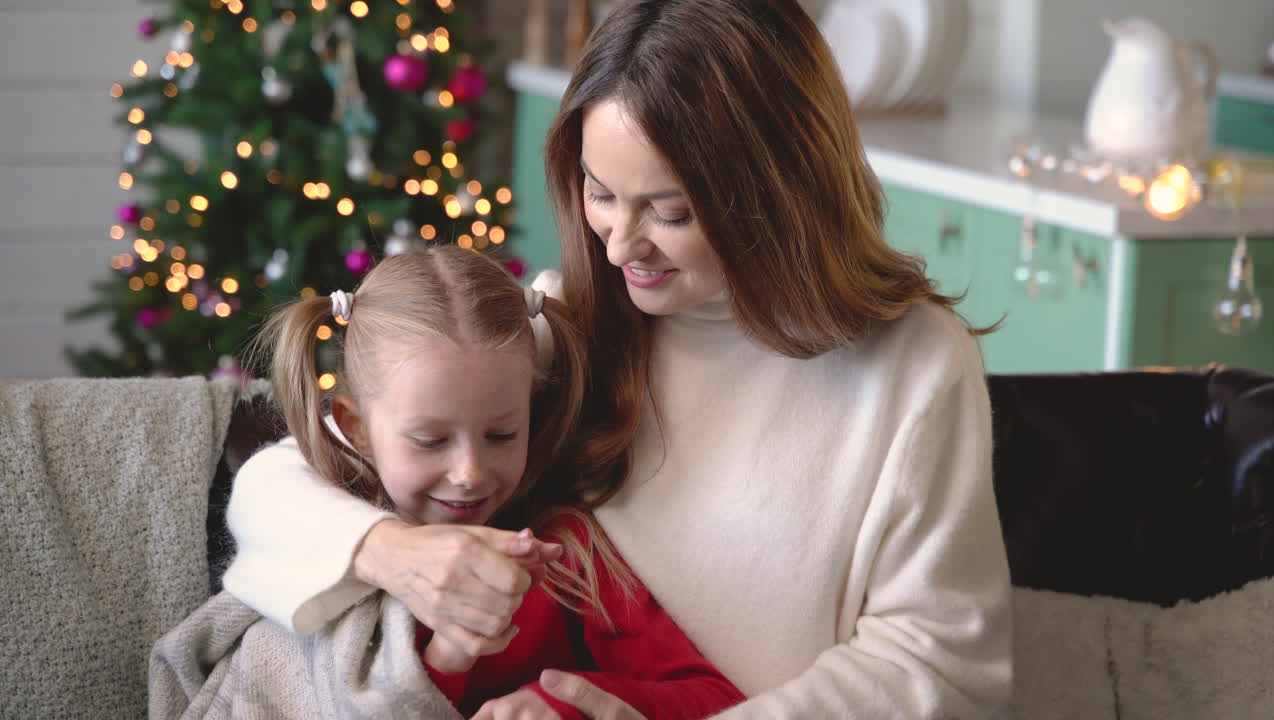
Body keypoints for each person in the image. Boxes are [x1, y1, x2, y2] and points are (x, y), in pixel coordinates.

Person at [224, 0, 1014, 717]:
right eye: (600, 192)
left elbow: (941, 668)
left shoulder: (910, 366)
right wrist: (393, 553)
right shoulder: (572, 315)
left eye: (668, 211)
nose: (619, 243)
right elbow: (276, 485)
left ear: (778, 192)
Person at [233, 247, 746, 719]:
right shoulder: (314, 528)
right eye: (430, 441)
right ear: (356, 427)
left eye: (501, 434)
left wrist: (568, 703)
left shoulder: (566, 554)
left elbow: (716, 698)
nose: (470, 474)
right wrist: (444, 662)